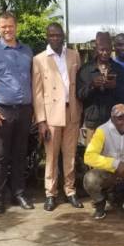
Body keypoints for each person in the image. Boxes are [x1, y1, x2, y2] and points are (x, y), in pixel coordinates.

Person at [0, 11, 34, 214]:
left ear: (16, 26)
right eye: (3, 26)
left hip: (25, 110)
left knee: (20, 154)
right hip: (2, 110)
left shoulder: (27, 50)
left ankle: (18, 193)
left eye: (10, 26)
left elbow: (32, 81)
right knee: (1, 156)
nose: (7, 29)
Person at [33, 22, 83, 211]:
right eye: (51, 35)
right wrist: (41, 121)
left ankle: (70, 191)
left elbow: (78, 84)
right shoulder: (39, 59)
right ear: (47, 37)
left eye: (58, 35)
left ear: (64, 36)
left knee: (70, 155)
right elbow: (37, 93)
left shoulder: (74, 55)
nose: (55, 38)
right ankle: (50, 193)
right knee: (52, 156)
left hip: (71, 111)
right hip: (51, 113)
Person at [76, 32, 124, 146]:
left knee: (114, 160)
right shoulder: (85, 70)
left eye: (107, 49)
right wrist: (92, 85)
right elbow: (79, 95)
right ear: (96, 48)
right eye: (101, 49)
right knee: (94, 160)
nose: (105, 53)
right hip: (93, 123)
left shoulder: (120, 70)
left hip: (115, 123)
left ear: (111, 49)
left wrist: (115, 87)